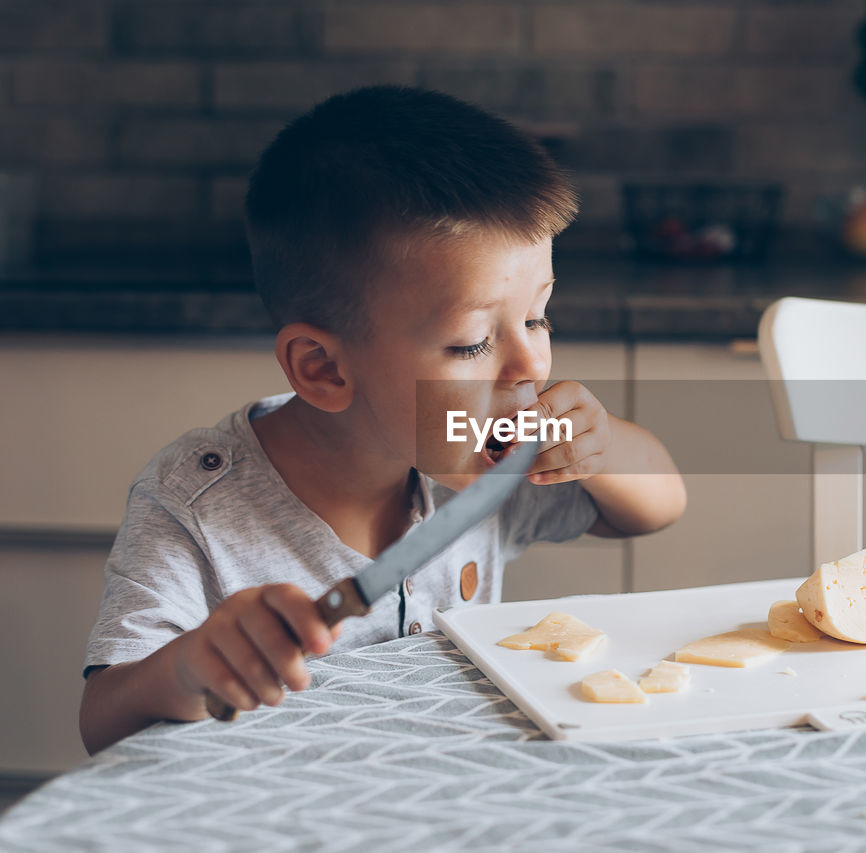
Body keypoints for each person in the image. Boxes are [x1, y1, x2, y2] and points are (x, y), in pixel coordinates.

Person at [78, 86, 686, 754]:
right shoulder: (192, 504)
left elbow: (655, 506)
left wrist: (596, 445)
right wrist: (188, 670)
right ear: (324, 369)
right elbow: (103, 720)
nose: (528, 365)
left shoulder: (476, 462)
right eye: (471, 342)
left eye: (537, 317)